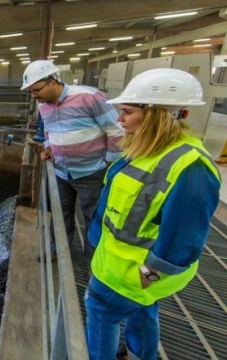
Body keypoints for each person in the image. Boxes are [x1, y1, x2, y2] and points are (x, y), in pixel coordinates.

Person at [85, 68, 221, 360]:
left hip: (133, 272)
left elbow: (184, 236)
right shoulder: (147, 148)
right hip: (117, 261)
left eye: (127, 111)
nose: (119, 119)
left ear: (156, 115)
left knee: (100, 313)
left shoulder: (191, 167)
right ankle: (140, 355)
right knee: (143, 308)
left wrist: (149, 274)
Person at [21, 60, 124, 265]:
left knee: (93, 218)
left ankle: (93, 263)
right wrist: (50, 148)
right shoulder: (44, 108)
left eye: (36, 90)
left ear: (52, 82)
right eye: (30, 92)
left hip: (92, 172)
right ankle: (56, 251)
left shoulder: (89, 97)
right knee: (59, 215)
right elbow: (50, 131)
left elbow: (116, 130)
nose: (33, 96)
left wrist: (108, 162)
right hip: (60, 172)